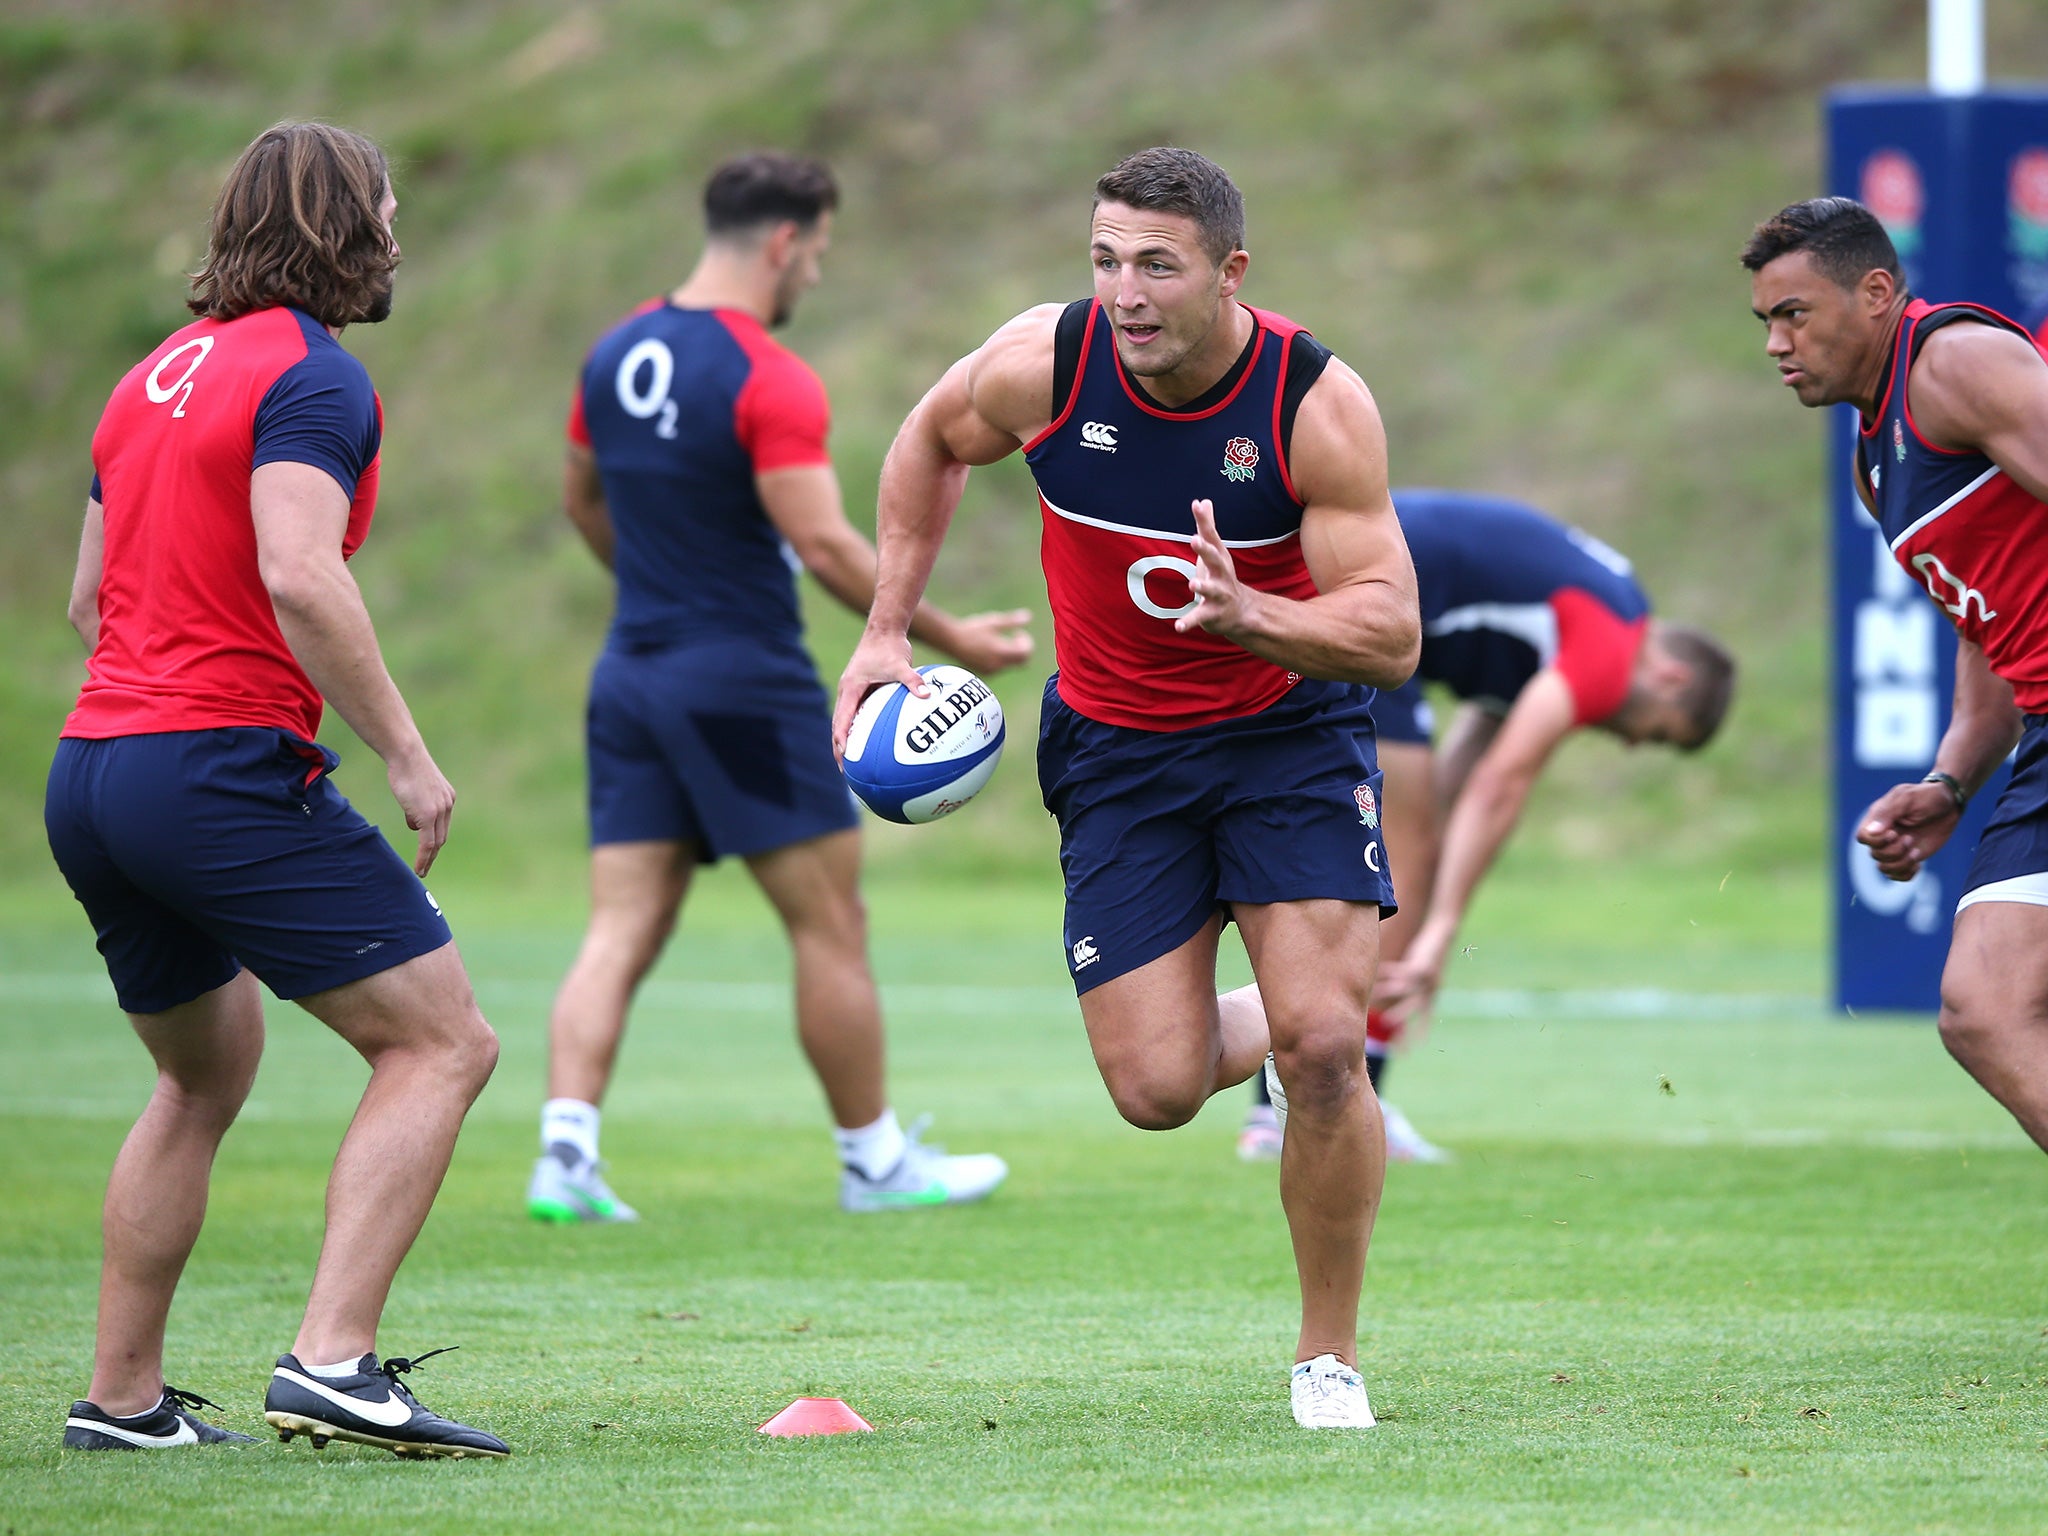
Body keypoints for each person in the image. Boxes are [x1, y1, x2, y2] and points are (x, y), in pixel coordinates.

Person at [833, 147, 1417, 1429]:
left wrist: (1253, 617)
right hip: (1116, 753)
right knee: (1154, 1091)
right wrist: (886, 629)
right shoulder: (1045, 364)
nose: (1127, 292)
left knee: (1325, 1050)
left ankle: (1327, 1356)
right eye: (1105, 261)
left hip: (1285, 738)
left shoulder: (1309, 406)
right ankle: (1301, 984)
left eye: (1157, 264)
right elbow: (929, 440)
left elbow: (1387, 635)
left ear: (1228, 271)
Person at [45, 122, 506, 1458]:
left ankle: (122, 1404)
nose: (400, 237)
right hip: (213, 767)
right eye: (384, 211)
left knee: (201, 1078)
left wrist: (162, 704)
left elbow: (89, 601)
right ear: (337, 228)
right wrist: (408, 753)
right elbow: (301, 572)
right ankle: (333, 1360)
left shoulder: (145, 379)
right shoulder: (313, 379)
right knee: (442, 1042)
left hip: (95, 772)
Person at [530, 153, 1030, 1223]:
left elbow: (580, 502)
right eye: (819, 253)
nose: (816, 274)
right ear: (781, 243)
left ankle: (562, 1155)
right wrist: (947, 635)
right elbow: (824, 542)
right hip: (742, 681)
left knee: (621, 925)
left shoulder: (613, 352)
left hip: (630, 673)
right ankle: (874, 1162)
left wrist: (658, 591)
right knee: (828, 923)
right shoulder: (767, 375)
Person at [1237, 491, 1736, 1162]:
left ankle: (1289, 1106)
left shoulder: (1584, 619)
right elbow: (1504, 782)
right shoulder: (1610, 646)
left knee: (1399, 848)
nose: (1631, 745)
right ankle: (1300, 1112)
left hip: (1345, 573)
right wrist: (1439, 929)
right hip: (1361, 588)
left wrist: (1431, 870)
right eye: (1657, 736)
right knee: (1396, 859)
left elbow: (1474, 765)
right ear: (1670, 677)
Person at [1745, 195, 2048, 1152]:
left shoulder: (1954, 363)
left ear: (1876, 292)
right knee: (1985, 1011)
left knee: (1988, 1005)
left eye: (1795, 313)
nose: (1776, 343)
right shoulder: (1876, 461)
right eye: (1765, 322)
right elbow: (1988, 621)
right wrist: (1950, 780)